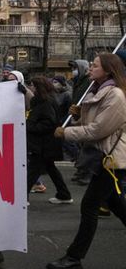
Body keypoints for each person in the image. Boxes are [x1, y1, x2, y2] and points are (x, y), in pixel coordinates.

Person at [47, 53, 126, 269]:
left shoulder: (116, 96)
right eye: (90, 65)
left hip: (110, 159)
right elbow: (91, 122)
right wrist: (77, 116)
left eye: (95, 65)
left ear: (108, 70)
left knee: (89, 206)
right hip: (102, 158)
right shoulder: (98, 91)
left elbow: (99, 130)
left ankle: (74, 257)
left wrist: (66, 133)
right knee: (116, 204)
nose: (90, 68)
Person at [26, 76, 73, 205]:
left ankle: (23, 197)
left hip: (43, 144)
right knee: (50, 168)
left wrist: (30, 126)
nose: (31, 87)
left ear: (38, 87)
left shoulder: (45, 102)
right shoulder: (45, 100)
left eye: (32, 85)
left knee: (32, 171)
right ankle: (64, 194)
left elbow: (48, 123)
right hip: (46, 143)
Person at [68, 60, 93, 186]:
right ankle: (81, 170)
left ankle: (87, 172)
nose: (73, 70)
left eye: (75, 68)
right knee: (80, 146)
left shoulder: (88, 82)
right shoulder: (77, 82)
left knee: (86, 146)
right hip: (77, 114)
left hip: (84, 115)